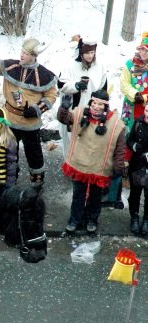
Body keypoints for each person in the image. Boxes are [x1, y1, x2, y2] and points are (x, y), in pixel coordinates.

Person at [0, 36, 57, 184]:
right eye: (21, 51)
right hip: (9, 121)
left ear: (34, 56)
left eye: (25, 53)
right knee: (7, 154)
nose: (22, 55)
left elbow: (51, 96)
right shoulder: (10, 66)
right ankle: (8, 182)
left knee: (34, 155)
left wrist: (37, 109)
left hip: (30, 124)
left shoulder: (45, 75)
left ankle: (36, 186)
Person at [57, 90, 125, 234]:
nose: (96, 106)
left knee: (95, 197)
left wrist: (119, 165)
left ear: (106, 106)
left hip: (99, 167)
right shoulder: (80, 113)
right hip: (79, 164)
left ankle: (92, 220)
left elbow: (120, 147)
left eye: (100, 104)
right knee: (78, 195)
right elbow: (64, 119)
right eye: (94, 103)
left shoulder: (116, 124)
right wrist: (63, 109)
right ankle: (75, 219)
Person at [58, 36, 107, 159]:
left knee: (87, 142)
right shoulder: (69, 65)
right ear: (81, 52)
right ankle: (70, 166)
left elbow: (103, 88)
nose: (90, 56)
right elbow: (61, 84)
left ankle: (83, 169)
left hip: (91, 110)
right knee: (70, 142)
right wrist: (75, 86)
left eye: (92, 52)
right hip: (73, 110)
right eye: (86, 53)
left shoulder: (99, 67)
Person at [126, 103, 148, 236]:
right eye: (146, 110)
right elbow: (129, 140)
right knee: (135, 194)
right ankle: (134, 217)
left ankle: (146, 219)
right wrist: (134, 146)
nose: (147, 114)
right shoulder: (138, 122)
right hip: (137, 165)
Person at [120, 32, 148, 135]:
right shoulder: (130, 64)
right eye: (142, 49)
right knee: (128, 135)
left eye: (147, 50)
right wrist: (136, 95)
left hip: (146, 109)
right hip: (131, 107)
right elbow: (124, 84)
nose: (144, 53)